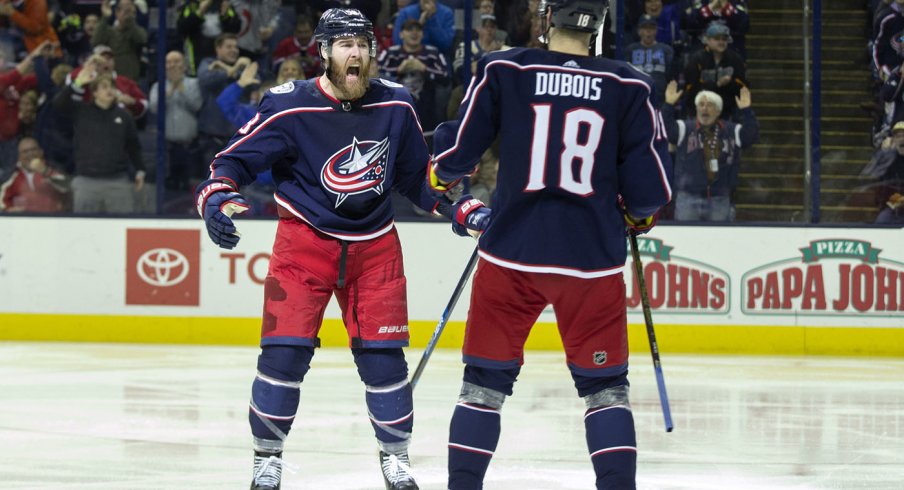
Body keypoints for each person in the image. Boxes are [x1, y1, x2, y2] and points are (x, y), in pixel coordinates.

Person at [193, 8, 485, 490]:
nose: (357, 53)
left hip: (376, 251)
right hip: (304, 245)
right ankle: (267, 459)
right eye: (345, 44)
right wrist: (217, 197)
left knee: (385, 361)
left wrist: (461, 209)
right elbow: (232, 162)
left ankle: (396, 460)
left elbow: (418, 177)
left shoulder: (396, 104)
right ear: (324, 52)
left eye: (363, 44)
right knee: (283, 356)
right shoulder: (290, 105)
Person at [428, 1, 673, 488]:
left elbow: (458, 152)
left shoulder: (502, 67)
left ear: (547, 20)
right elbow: (650, 193)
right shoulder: (630, 84)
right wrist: (636, 216)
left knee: (482, 386)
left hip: (510, 253)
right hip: (591, 261)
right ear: (599, 26)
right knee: (605, 391)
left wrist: (440, 176)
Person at [54, 62, 144, 213]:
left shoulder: (124, 116)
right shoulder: (82, 111)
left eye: (112, 87)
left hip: (117, 182)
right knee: (84, 231)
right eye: (104, 87)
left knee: (120, 229)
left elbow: (133, 146)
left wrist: (140, 170)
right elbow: (59, 104)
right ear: (94, 92)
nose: (109, 90)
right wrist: (77, 83)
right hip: (86, 182)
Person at [662, 80, 758, 221]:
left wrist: (747, 111)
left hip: (720, 199)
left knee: (720, 241)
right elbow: (664, 129)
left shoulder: (731, 130)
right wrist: (668, 105)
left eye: (709, 105)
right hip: (688, 198)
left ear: (718, 110)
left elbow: (750, 136)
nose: (704, 108)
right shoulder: (685, 128)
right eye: (701, 105)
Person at [0, 136, 70, 212]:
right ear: (19, 157)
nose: (30, 154)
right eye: (25, 151)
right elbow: (2, 202)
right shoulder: (11, 175)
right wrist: (9, 210)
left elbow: (67, 188)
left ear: (41, 152)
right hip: (21, 221)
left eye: (33, 149)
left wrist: (44, 171)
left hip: (52, 219)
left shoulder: (53, 169)